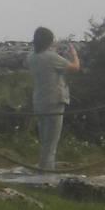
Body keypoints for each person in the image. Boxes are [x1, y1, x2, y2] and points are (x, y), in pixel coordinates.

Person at [28, 27, 81, 174]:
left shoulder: (31, 57)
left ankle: (42, 171)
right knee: (51, 144)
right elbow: (75, 68)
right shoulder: (51, 57)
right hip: (54, 102)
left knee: (45, 141)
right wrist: (74, 54)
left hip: (39, 101)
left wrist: (53, 50)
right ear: (49, 41)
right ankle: (46, 176)